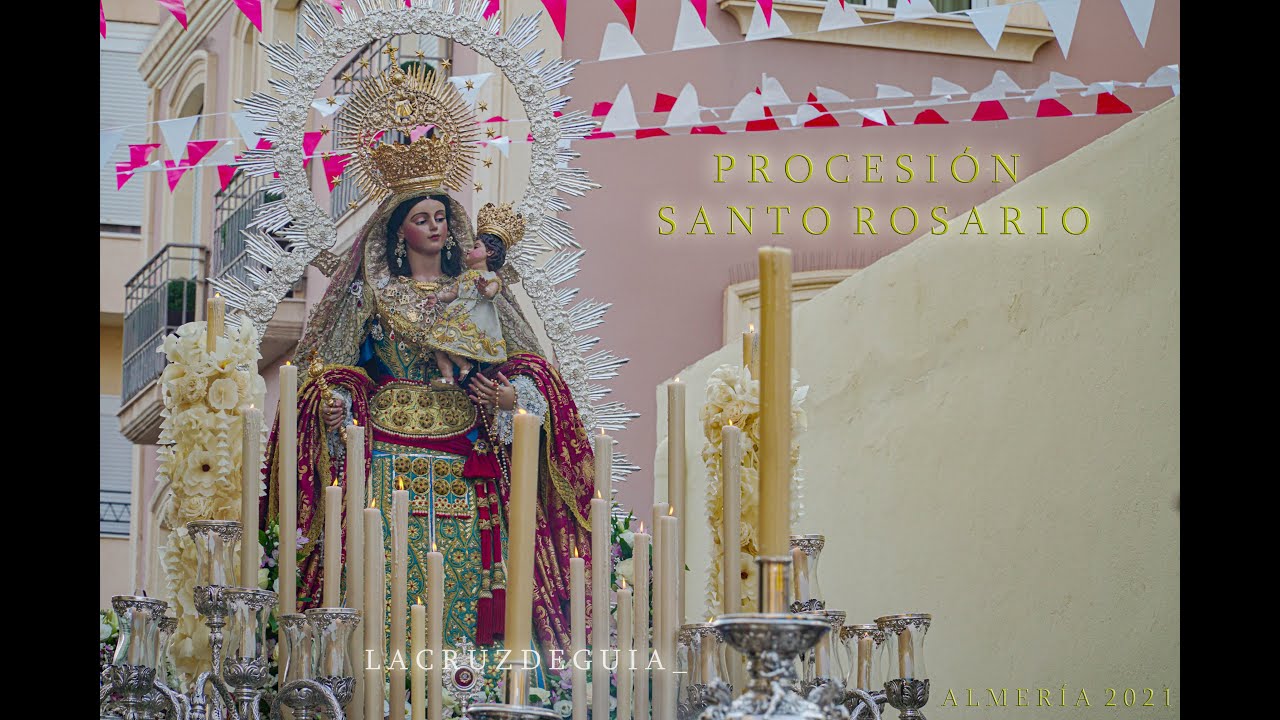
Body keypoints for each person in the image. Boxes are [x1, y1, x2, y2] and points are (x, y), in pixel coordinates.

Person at [260, 60, 597, 688]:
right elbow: (337, 365)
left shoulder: (479, 290)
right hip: (386, 460)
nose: (436, 226)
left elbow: (525, 363)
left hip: (466, 459)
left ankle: (470, 692)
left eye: (442, 216)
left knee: (475, 581)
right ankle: (378, 690)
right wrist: (335, 402)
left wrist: (511, 397)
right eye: (422, 218)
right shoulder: (372, 295)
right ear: (398, 233)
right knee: (382, 575)